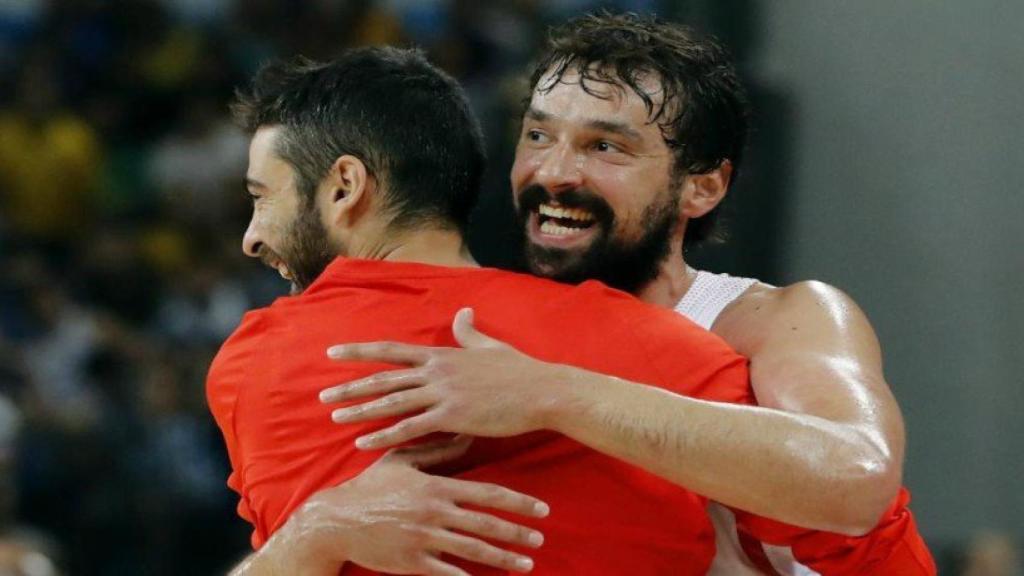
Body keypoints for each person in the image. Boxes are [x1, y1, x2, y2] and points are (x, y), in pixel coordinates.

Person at [312, 13, 936, 575]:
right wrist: (318, 530)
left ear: (703, 187)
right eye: (538, 136)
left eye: (604, 146)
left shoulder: (768, 318)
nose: (555, 172)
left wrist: (552, 393)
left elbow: (856, 479)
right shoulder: (476, 333)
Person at [211, 46, 759, 576]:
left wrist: (312, 535)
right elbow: (813, 513)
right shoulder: (672, 348)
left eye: (263, 198)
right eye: (539, 135)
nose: (252, 238)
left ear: (345, 187)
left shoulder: (258, 361)